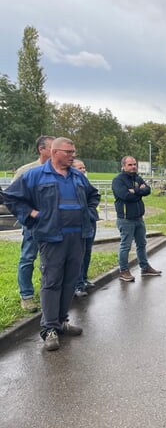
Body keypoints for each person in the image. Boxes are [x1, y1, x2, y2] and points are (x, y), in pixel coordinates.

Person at [4, 137, 100, 351]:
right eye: (69, 151)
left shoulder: (77, 176)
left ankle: (61, 321)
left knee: (70, 281)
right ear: (55, 152)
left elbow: (93, 195)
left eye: (73, 151)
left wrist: (89, 213)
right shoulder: (35, 175)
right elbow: (10, 197)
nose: (73, 155)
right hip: (51, 238)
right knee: (52, 281)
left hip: (77, 237)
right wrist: (32, 213)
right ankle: (49, 329)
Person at [12, 135, 55, 312]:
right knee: (28, 258)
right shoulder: (26, 171)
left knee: (52, 261)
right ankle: (27, 296)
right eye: (53, 148)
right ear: (41, 149)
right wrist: (31, 213)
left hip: (56, 224)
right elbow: (13, 199)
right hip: (34, 225)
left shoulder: (61, 170)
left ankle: (50, 293)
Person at [112, 156, 161, 282]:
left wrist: (135, 191)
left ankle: (145, 268)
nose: (133, 166)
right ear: (123, 166)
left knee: (142, 243)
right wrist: (139, 192)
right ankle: (123, 271)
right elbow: (126, 196)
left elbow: (148, 190)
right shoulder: (118, 180)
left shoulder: (137, 178)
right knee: (125, 246)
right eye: (130, 165)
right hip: (126, 219)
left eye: (134, 164)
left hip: (139, 217)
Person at [72, 159, 99, 297]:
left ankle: (84, 279)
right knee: (78, 254)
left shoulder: (85, 182)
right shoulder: (70, 182)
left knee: (87, 252)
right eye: (79, 168)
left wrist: (89, 211)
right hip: (76, 225)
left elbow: (94, 196)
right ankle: (77, 284)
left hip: (89, 222)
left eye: (84, 167)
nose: (83, 170)